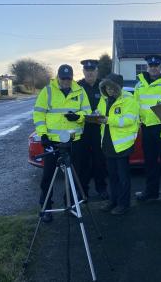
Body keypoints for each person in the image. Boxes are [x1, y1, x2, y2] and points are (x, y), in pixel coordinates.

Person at [33, 64, 91, 223]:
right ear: (58, 77)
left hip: (74, 141)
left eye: (68, 78)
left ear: (72, 77)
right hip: (53, 142)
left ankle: (70, 203)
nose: (66, 81)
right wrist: (42, 134)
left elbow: (87, 112)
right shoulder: (48, 91)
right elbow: (39, 114)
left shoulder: (80, 90)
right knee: (48, 176)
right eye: (63, 78)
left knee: (74, 174)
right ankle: (45, 207)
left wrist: (78, 117)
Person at [134, 54, 161, 206]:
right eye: (151, 66)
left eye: (156, 66)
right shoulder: (139, 84)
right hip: (146, 128)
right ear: (147, 67)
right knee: (150, 163)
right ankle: (151, 192)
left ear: (160, 68)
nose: (153, 68)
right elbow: (135, 106)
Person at [96, 73, 139, 215]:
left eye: (112, 87)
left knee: (123, 177)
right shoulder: (104, 99)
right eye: (107, 87)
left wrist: (107, 119)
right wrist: (95, 116)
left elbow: (128, 120)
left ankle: (123, 204)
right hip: (108, 143)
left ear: (118, 87)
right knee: (112, 176)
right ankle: (113, 201)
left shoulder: (129, 99)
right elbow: (100, 113)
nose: (109, 90)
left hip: (122, 145)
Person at [77, 59, 108, 200]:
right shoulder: (77, 86)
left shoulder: (104, 86)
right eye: (87, 71)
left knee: (99, 161)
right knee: (82, 161)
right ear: (83, 72)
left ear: (97, 71)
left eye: (92, 71)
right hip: (82, 128)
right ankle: (83, 192)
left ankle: (101, 189)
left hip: (99, 128)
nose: (90, 73)